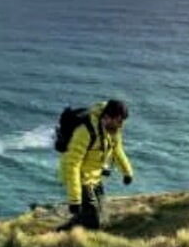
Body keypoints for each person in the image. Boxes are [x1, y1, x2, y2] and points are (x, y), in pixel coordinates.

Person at [56, 99, 134, 231]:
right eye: (119, 121)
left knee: (103, 213)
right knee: (92, 221)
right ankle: (65, 236)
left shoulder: (113, 130)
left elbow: (117, 150)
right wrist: (74, 199)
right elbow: (72, 164)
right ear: (107, 117)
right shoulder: (85, 132)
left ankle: (73, 226)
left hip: (95, 176)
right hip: (80, 178)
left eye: (123, 121)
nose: (121, 125)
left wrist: (127, 172)